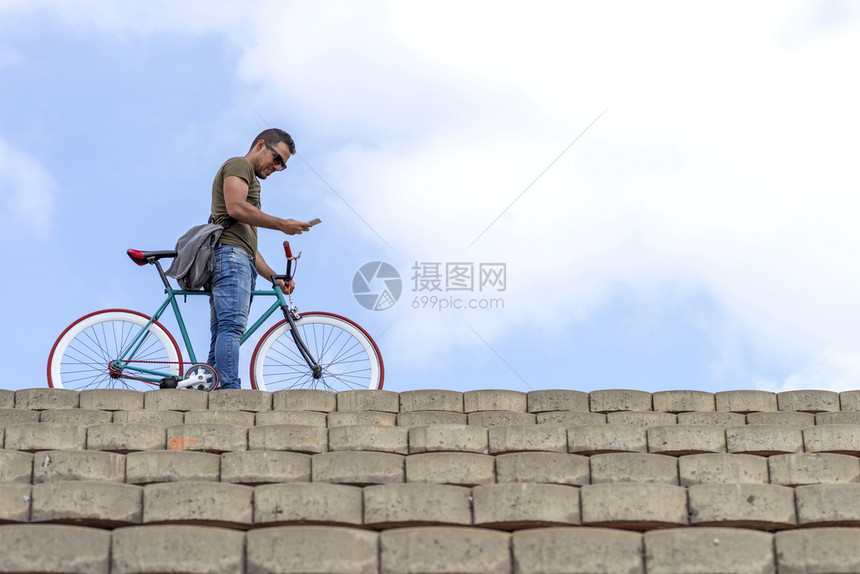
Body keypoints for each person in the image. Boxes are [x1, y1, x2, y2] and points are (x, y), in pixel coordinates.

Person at [207, 128, 311, 389]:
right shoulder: (239, 164)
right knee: (231, 327)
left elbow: (249, 247)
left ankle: (208, 386)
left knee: (223, 332)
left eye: (283, 166)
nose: (278, 167)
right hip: (230, 259)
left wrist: (273, 276)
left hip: (238, 258)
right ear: (261, 145)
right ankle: (229, 390)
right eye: (277, 159)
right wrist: (281, 224)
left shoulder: (251, 183)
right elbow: (235, 207)